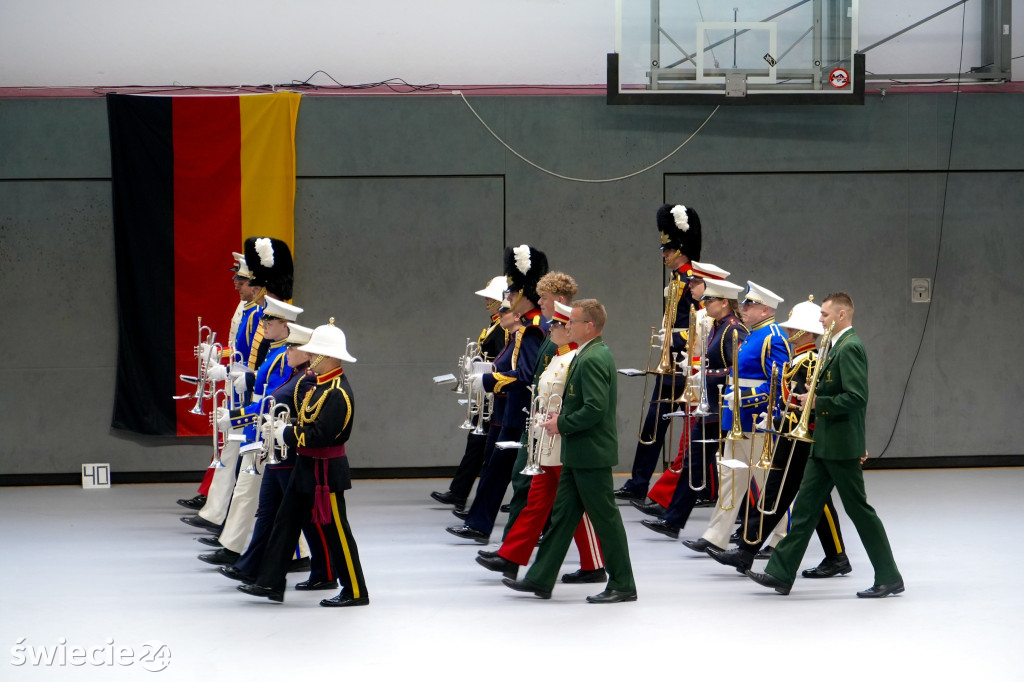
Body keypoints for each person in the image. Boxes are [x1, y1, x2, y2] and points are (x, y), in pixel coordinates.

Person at [747, 293, 904, 598]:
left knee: (860, 511)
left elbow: (857, 398)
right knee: (805, 509)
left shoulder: (850, 347)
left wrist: (819, 403)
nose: (820, 320)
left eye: (825, 315)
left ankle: (889, 576)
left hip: (841, 446)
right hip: (825, 445)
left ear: (842, 315)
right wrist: (812, 401)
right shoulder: (835, 346)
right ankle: (780, 573)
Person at [504, 300, 636, 604]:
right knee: (563, 517)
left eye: (573, 322)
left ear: (589, 326)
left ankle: (623, 583)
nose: (566, 326)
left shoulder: (591, 358)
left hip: (590, 453)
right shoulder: (588, 353)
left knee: (606, 520)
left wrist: (559, 423)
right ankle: (540, 578)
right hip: (579, 452)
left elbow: (594, 409)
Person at [706, 296, 849, 575]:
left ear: (805, 333)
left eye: (793, 327)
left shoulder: (808, 360)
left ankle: (831, 556)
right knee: (778, 493)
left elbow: (802, 400)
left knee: (796, 496)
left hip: (801, 438)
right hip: (788, 434)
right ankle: (748, 551)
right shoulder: (800, 357)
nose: (786, 331)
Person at [238, 319, 369, 606]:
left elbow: (321, 435)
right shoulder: (320, 386)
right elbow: (310, 421)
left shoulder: (337, 392)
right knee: (285, 524)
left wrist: (285, 432)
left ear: (330, 356)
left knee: (338, 532)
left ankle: (356, 590)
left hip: (325, 473)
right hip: (307, 468)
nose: (309, 357)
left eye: (314, 353)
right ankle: (269, 583)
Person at [475, 301, 605, 582]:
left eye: (559, 325)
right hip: (546, 438)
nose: (554, 329)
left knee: (576, 506)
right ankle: (511, 556)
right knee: (536, 501)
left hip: (563, 440)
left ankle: (594, 565)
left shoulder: (575, 358)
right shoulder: (559, 356)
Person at [218, 323, 334, 590]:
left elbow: (279, 409)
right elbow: (268, 402)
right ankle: (251, 567)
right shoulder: (294, 376)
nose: (288, 351)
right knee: (269, 513)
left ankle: (324, 572)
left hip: (291, 455)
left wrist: (237, 418)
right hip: (277, 455)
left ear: (307, 353)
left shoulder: (306, 380)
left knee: (301, 519)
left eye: (293, 347)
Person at [447, 245, 547, 543]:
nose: (507, 300)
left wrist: (489, 381)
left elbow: (527, 375)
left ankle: (520, 532)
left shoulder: (533, 327)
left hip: (519, 413)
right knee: (494, 471)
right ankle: (479, 524)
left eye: (511, 294)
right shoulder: (523, 325)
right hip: (506, 412)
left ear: (524, 295)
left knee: (513, 477)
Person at [681, 281, 790, 554]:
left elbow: (780, 381)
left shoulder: (773, 336)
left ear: (765, 309)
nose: (745, 307)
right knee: (729, 477)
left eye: (750, 304)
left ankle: (782, 537)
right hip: (737, 417)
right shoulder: (753, 334)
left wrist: (748, 398)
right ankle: (716, 536)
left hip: (757, 420)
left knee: (768, 483)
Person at [197, 296, 306, 567]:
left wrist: (234, 417)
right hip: (259, 431)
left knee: (250, 493)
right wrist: (238, 377)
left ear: (286, 324)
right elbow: (262, 381)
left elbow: (273, 400)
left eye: (269, 320)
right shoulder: (275, 351)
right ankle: (291, 554)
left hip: (267, 432)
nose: (263, 324)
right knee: (263, 496)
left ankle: (235, 549)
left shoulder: (284, 356)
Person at [639, 277, 747, 539]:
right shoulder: (717, 326)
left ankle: (747, 524)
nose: (705, 304)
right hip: (710, 408)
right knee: (694, 463)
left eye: (710, 300)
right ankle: (673, 520)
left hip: (722, 410)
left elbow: (738, 370)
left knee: (736, 471)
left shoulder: (734, 330)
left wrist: (708, 377)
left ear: (724, 303)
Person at [615, 204, 703, 502]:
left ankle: (673, 487)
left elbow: (699, 326)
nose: (663, 255)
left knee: (681, 426)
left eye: (667, 249)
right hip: (671, 363)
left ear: (680, 249)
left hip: (685, 365)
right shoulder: (677, 279)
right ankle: (638, 483)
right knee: (653, 421)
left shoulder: (693, 281)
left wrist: (672, 339)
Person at [430, 275, 510, 511]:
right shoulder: (494, 325)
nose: (486, 300)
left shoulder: (503, 328)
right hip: (484, 393)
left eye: (492, 297)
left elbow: (502, 360)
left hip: (493, 394)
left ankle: (465, 494)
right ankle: (459, 492)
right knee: (476, 444)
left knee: (487, 448)